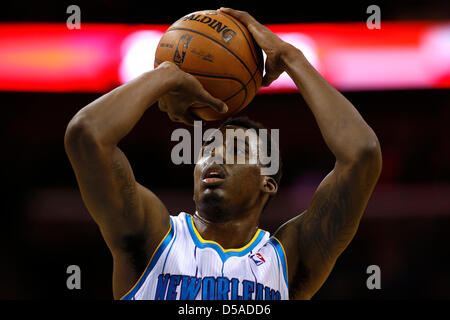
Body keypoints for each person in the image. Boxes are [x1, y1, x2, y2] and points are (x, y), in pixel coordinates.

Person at [64, 8, 382, 300]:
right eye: (207, 150)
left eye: (237, 150)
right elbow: (86, 135)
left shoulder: (289, 259)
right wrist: (165, 75)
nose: (215, 157)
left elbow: (362, 154)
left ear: (267, 183)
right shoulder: (153, 237)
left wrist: (290, 58)